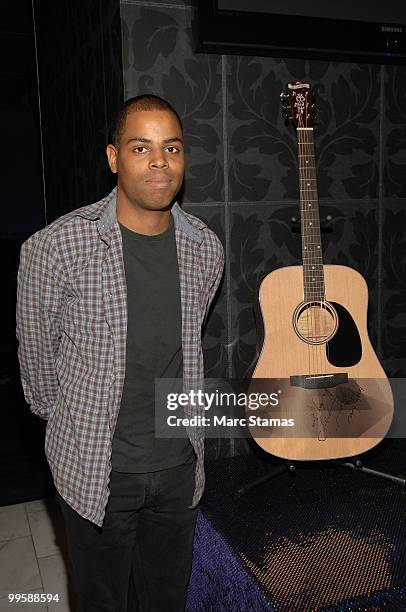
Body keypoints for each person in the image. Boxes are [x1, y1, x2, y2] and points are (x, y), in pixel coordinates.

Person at [16, 94, 224, 612]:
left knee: (165, 600)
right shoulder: (56, 249)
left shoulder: (205, 248)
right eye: (141, 147)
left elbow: (185, 350)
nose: (160, 162)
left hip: (179, 467)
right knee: (101, 601)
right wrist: (70, 422)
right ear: (113, 158)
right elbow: (38, 367)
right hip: (95, 470)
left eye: (172, 148)